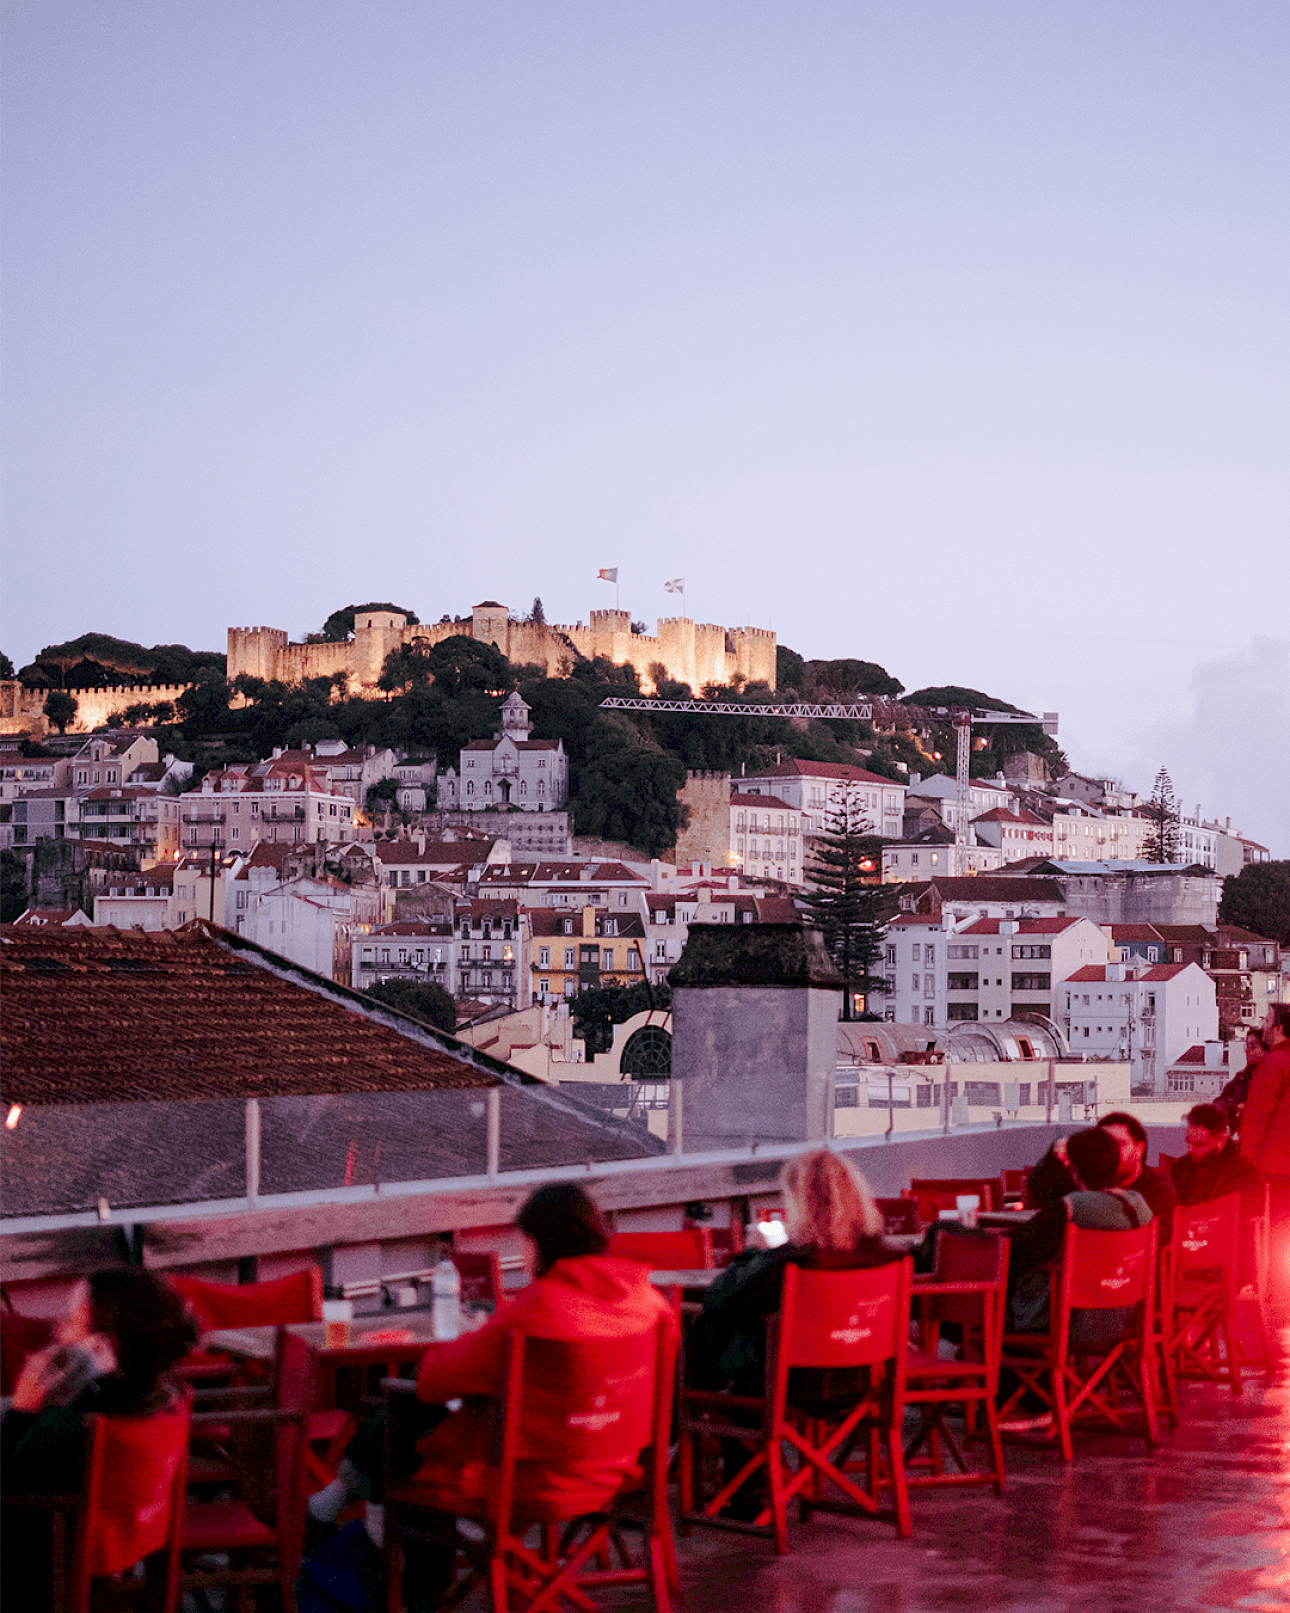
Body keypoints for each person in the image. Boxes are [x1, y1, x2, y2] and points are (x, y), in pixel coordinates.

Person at [306, 1183, 676, 1613]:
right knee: (426, 1422)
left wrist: (479, 1335)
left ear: (536, 1243)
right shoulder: (652, 1305)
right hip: (616, 1476)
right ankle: (355, 1507)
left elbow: (434, 1378)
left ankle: (407, 1577)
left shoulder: (535, 1310)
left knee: (411, 1423)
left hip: (522, 1485)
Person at [1, 1268, 197, 1611]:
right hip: (101, 1550)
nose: (60, 1332)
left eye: (72, 1323)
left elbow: (9, 1476)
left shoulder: (89, 1417)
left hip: (38, 1564)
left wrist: (22, 1409)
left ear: (102, 1345)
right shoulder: (154, 1394)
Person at [1005, 1126, 1154, 1354]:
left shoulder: (1072, 1209)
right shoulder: (1140, 1205)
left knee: (991, 1287)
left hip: (1068, 1322)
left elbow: (1017, 1248)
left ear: (1073, 1171)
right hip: (1123, 1318)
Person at [1028, 1112, 1176, 1236]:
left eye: (1119, 1144)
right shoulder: (1086, 1179)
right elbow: (1039, 1191)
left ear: (1139, 1149)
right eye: (1104, 1145)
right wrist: (1054, 1155)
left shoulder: (1157, 1191)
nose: (1111, 1150)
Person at [1239, 1005, 1290, 1300]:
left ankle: (1273, 1291)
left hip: (1274, 1167)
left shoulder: (1274, 1064)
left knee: (1273, 1234)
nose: (1264, 1025)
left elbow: (1257, 1120)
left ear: (1280, 1029)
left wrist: (1246, 1170)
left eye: (1268, 1021)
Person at [1169, 1103, 1261, 1207]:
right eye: (1188, 1141)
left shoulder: (1243, 1173)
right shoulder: (1180, 1168)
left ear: (1221, 1140)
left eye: (1200, 1144)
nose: (1190, 1149)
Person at [1216, 1028, 1266, 1134]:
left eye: (1253, 1046)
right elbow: (1219, 1104)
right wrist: (1235, 1107)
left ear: (1267, 1050)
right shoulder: (1241, 1078)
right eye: (1247, 1046)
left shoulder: (1273, 1078)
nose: (1247, 1050)